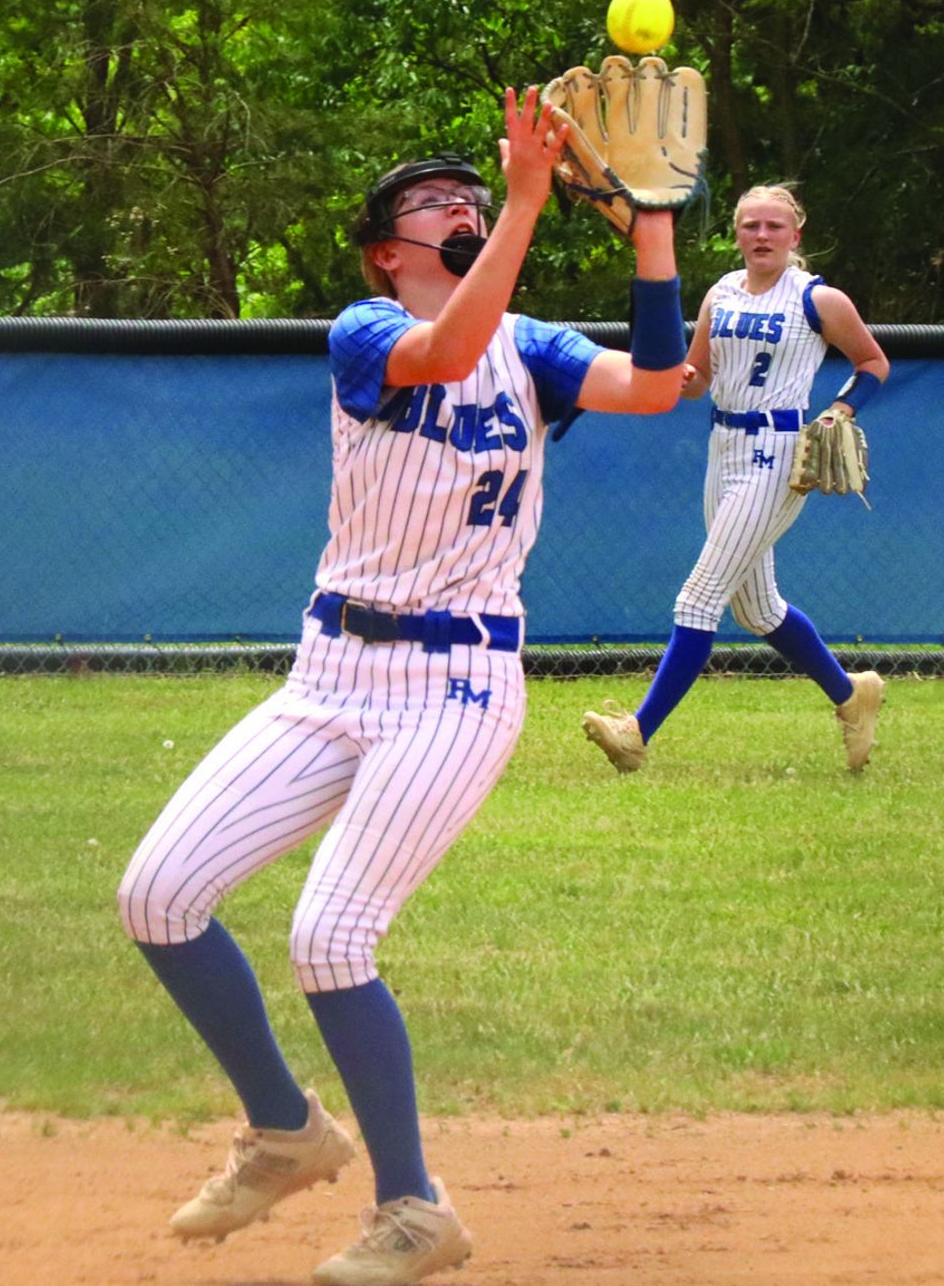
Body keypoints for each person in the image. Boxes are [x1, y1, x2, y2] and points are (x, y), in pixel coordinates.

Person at [116, 85, 689, 1286]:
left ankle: (415, 1206)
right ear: (389, 252)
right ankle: (285, 1130)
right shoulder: (363, 331)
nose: (466, 204)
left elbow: (655, 382)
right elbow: (446, 349)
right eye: (438, 203)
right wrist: (530, 205)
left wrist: (649, 226)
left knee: (331, 933)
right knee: (158, 891)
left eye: (473, 193)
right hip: (329, 670)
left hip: (458, 681)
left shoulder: (532, 348)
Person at [583, 182, 890, 776]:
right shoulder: (721, 294)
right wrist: (680, 371)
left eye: (774, 226)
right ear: (737, 233)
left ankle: (635, 732)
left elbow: (873, 362)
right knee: (756, 609)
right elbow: (695, 381)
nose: (762, 236)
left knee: (699, 598)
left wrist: (842, 408)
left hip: (778, 449)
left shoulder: (818, 299)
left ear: (795, 236)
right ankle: (852, 695)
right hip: (722, 444)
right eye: (750, 225)